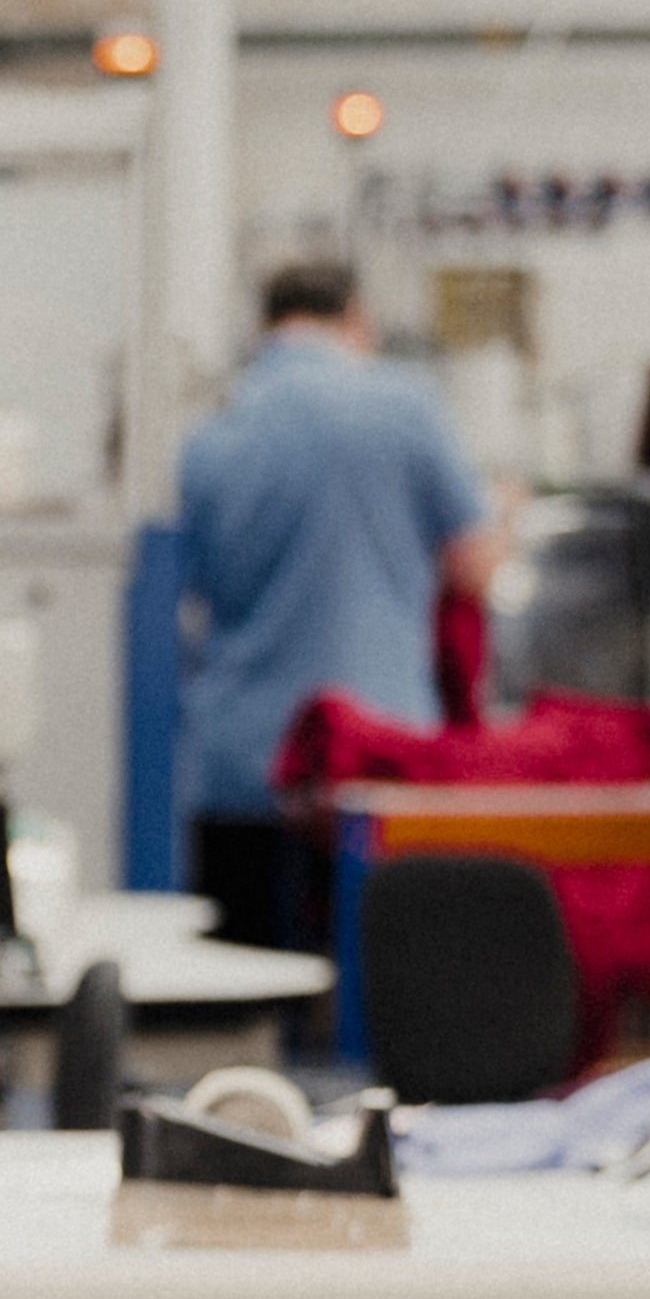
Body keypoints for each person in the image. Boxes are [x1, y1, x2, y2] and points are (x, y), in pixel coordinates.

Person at [172, 255, 502, 950]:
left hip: (241, 762)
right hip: (374, 755)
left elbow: (191, 592)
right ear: (357, 319)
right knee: (372, 1006)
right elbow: (472, 564)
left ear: (263, 328)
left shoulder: (208, 437)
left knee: (246, 1000)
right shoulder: (402, 406)